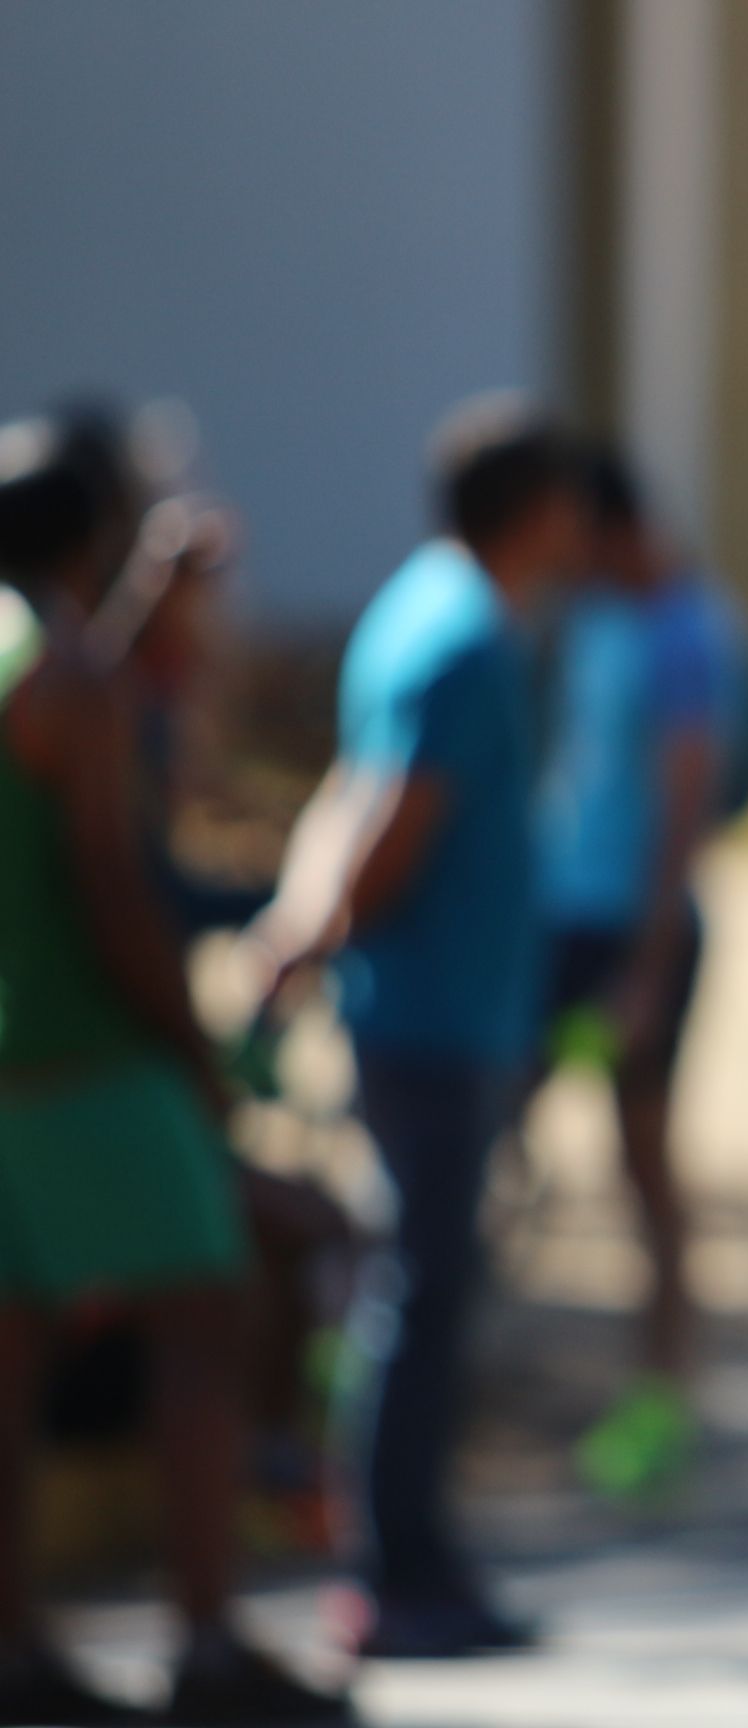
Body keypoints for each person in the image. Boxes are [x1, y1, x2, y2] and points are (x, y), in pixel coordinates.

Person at [0, 416, 353, 1724]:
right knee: (207, 1310)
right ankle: (207, 1642)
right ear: (92, 538)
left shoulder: (23, 656)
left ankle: (15, 1651)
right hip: (86, 1048)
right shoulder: (72, 683)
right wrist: (189, 1053)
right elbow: (110, 886)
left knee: (13, 1354)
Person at [244, 397, 589, 1660]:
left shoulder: (425, 611)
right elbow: (395, 815)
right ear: (535, 508)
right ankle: (396, 1574)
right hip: (432, 1019)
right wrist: (322, 927)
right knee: (418, 1293)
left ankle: (414, 1561)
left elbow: (351, 793)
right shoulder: (462, 637)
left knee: (422, 1288)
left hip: (444, 1011)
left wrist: (300, 925)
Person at [529, 446, 748, 1502]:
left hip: (633, 935)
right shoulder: (594, 613)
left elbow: (681, 812)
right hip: (558, 923)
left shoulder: (684, 631)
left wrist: (644, 969)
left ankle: (663, 1393)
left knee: (645, 1164)